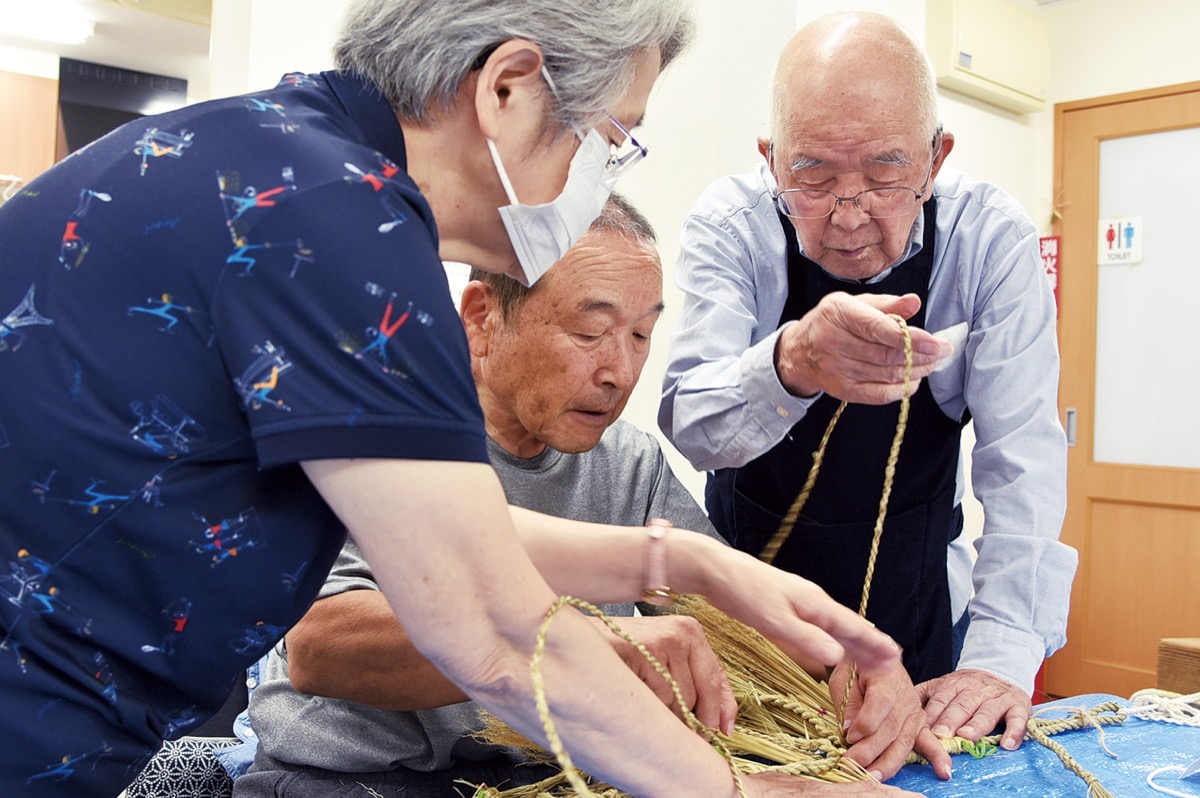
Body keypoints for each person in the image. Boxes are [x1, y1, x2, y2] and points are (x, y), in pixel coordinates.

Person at [0, 2, 912, 797]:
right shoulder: (336, 219)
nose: (611, 171)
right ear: (508, 89)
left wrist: (692, 564)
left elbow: (457, 536)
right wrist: (736, 790)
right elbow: (493, 629)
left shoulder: (279, 162)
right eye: (612, 138)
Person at [659, 10, 1078, 766]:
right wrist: (789, 364)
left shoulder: (988, 244)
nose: (850, 215)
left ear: (935, 157)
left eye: (885, 172)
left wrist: (999, 657)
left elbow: (1023, 460)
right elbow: (690, 421)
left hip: (912, 622)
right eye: (813, 174)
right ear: (772, 159)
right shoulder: (734, 226)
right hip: (750, 640)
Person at [236, 195, 737, 796]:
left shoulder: (630, 463)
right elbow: (323, 646)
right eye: (591, 332)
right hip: (358, 782)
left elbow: (728, 613)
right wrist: (584, 643)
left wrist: (848, 664)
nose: (622, 372)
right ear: (482, 319)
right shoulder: (378, 434)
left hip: (546, 781)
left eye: (640, 335)